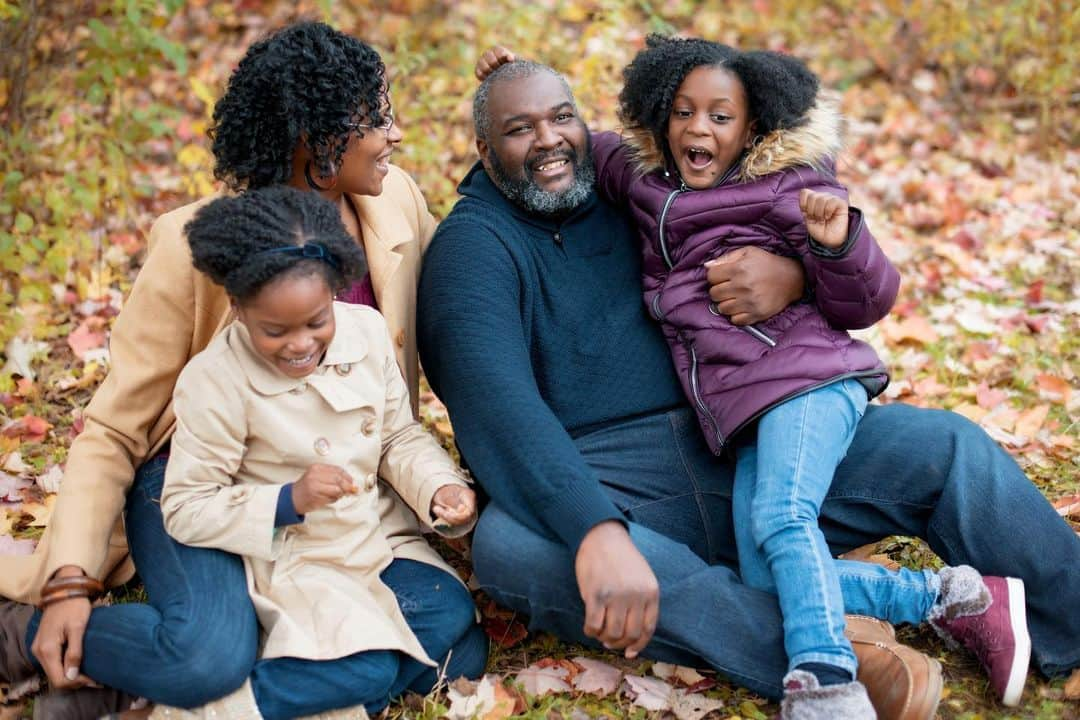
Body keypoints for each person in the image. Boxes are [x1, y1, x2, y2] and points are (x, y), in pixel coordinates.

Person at [417, 56, 1080, 719]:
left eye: (562, 117)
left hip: (743, 437)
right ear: (484, 148)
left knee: (945, 446)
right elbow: (499, 408)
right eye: (518, 128)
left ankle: (1069, 624)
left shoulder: (638, 190)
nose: (549, 142)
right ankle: (827, 659)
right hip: (617, 485)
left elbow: (744, 192)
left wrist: (794, 271)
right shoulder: (471, 248)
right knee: (511, 546)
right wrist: (595, 528)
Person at [0, 21, 485, 719]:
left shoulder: (392, 201)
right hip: (202, 478)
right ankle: (32, 635)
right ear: (317, 144)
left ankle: (136, 685)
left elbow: (464, 297)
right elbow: (113, 429)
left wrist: (521, 134)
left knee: (446, 636)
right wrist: (70, 582)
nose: (396, 134)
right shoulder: (196, 245)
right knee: (208, 652)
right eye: (377, 118)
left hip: (337, 482)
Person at [583, 35, 1031, 714]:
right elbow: (576, 141)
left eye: (720, 116)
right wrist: (518, 88)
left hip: (808, 380)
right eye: (682, 111)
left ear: (752, 126)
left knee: (784, 518)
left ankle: (823, 679)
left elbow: (871, 297)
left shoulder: (792, 184)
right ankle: (954, 598)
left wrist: (836, 243)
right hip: (744, 411)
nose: (698, 128)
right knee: (766, 573)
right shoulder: (646, 182)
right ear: (658, 115)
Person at [146, 187, 479, 720]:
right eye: (276, 330)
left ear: (336, 293)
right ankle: (206, 712)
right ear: (239, 308)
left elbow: (397, 436)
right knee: (381, 664)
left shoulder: (365, 333)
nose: (301, 344)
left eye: (316, 321)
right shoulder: (215, 378)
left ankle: (316, 691)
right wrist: (287, 500)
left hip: (370, 540)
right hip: (296, 556)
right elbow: (186, 505)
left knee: (454, 622)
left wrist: (439, 486)